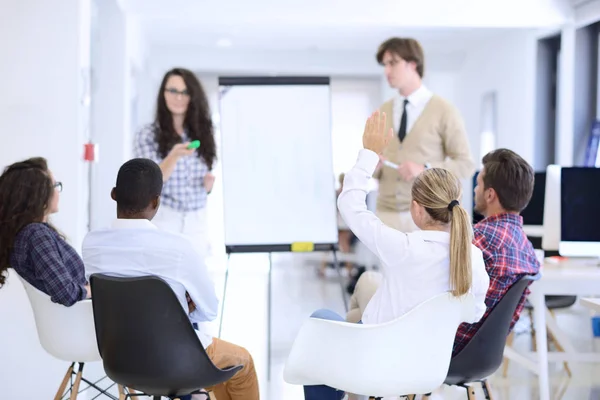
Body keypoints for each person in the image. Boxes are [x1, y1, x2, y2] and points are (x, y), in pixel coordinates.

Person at [302, 111, 490, 400]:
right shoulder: (473, 259)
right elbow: (474, 313)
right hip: (429, 368)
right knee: (355, 313)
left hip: (380, 364)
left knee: (320, 321)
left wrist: (369, 153)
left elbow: (350, 203)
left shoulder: (402, 248)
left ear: (416, 209)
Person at [82, 158, 259, 400]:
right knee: (243, 362)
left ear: (114, 194)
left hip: (119, 360)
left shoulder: (92, 243)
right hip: (176, 361)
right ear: (156, 201)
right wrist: (182, 307)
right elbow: (209, 310)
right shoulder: (177, 248)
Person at [373, 37, 474, 232]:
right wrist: (374, 164)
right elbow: (377, 168)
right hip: (385, 216)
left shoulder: (444, 110)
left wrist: (425, 169)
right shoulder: (383, 111)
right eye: (384, 65)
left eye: (392, 63)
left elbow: (466, 165)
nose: (387, 71)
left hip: (427, 218)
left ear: (413, 64)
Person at [453, 148, 541, 355]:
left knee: (370, 285)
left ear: (490, 194)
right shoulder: (528, 251)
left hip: (447, 347)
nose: (474, 190)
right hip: (486, 354)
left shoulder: (479, 238)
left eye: (478, 183)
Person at [133, 67, 217, 258]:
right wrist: (173, 156)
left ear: (193, 97)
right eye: (172, 91)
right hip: (164, 217)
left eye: (185, 92)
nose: (178, 97)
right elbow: (149, 183)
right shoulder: (147, 135)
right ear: (163, 94)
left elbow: (204, 175)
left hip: (197, 219)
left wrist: (208, 186)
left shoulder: (203, 133)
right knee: (165, 281)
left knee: (194, 282)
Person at [0, 157, 89, 306]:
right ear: (38, 195)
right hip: (84, 320)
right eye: (55, 185)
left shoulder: (28, 234)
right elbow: (66, 293)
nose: (58, 192)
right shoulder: (36, 235)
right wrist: (96, 289)